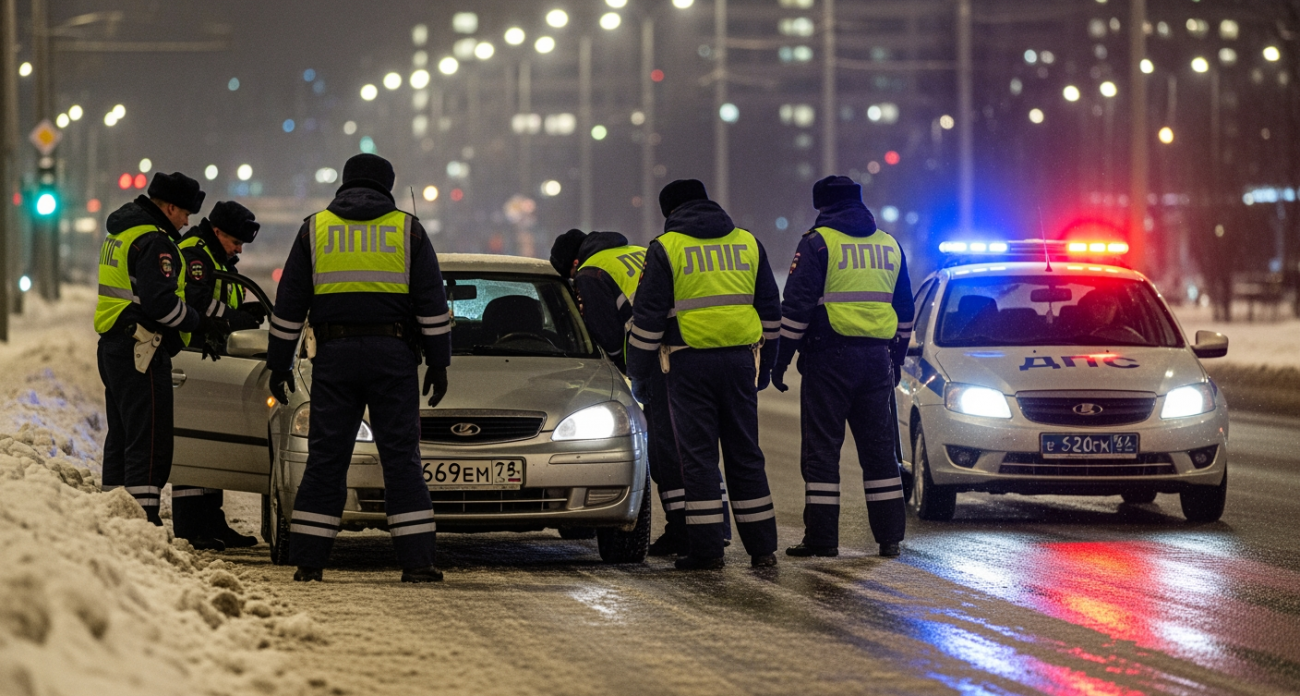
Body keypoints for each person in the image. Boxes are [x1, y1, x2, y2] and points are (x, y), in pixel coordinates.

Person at [266, 153, 452, 583]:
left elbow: (289, 305)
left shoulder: (315, 229)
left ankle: (310, 562)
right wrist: (439, 362)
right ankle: (417, 562)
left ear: (344, 184)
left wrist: (279, 362)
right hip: (393, 356)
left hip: (335, 355)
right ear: (387, 185)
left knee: (327, 456)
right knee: (401, 457)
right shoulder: (408, 229)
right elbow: (432, 304)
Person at [626, 179, 782, 570]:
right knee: (746, 453)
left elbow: (647, 322)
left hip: (688, 364)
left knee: (697, 458)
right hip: (741, 361)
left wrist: (638, 373)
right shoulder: (748, 243)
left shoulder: (667, 249)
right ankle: (763, 547)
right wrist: (770, 365)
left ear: (670, 212)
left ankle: (707, 550)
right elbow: (771, 311)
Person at [549, 229, 731, 556]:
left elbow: (608, 337)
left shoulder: (591, 274)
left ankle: (683, 531)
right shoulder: (633, 251)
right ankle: (715, 527)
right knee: (697, 446)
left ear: (574, 264)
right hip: (693, 348)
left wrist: (630, 374)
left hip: (659, 362)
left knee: (665, 452)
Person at [773, 175, 915, 559]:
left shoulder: (817, 243)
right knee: (880, 452)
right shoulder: (889, 245)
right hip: (877, 361)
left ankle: (822, 539)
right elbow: (905, 311)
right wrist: (896, 358)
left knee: (822, 452)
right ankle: (889, 538)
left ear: (823, 206)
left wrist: (781, 359)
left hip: (829, 360)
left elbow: (797, 309)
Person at [95, 172, 219, 525]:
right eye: (184, 214)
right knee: (150, 441)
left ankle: (113, 513)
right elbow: (162, 305)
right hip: (141, 348)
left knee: (122, 435)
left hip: (113, 344)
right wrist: (199, 322)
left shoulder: (122, 232)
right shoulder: (154, 241)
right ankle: (141, 519)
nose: (186, 222)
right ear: (169, 207)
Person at [171, 201, 266, 550]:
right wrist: (233, 318)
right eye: (236, 242)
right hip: (191, 357)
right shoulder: (196, 255)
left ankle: (211, 521)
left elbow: (216, 299)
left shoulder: (215, 258)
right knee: (197, 446)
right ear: (218, 232)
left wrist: (242, 313)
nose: (239, 249)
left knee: (211, 445)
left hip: (209, 357)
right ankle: (192, 525)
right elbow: (197, 301)